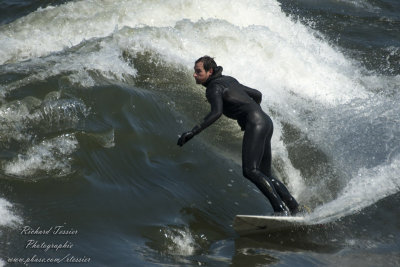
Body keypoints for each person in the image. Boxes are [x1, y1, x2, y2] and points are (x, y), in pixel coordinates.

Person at [177, 56, 300, 215]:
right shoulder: (228, 80)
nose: (194, 74)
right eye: (195, 71)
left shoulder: (213, 88)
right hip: (266, 122)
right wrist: (252, 112)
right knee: (264, 174)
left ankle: (280, 209)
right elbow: (257, 94)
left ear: (210, 71)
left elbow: (216, 113)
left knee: (250, 170)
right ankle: (294, 208)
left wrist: (193, 132)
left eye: (198, 71)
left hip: (255, 124)